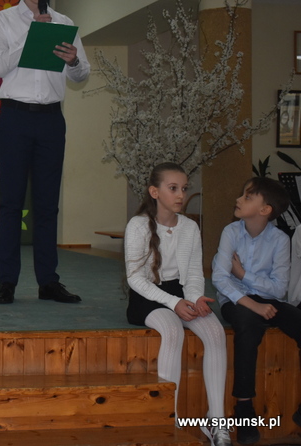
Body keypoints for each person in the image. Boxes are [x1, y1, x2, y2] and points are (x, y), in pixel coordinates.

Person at [0, 0, 90, 305]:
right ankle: (7, 282)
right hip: (14, 117)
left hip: (50, 119)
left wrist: (73, 61)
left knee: (48, 205)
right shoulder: (3, 20)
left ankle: (48, 282)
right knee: (11, 203)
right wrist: (32, 34)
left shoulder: (65, 22)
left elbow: (82, 74)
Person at [125, 163, 231, 446]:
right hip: (147, 296)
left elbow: (194, 273)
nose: (181, 195)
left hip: (180, 293)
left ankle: (217, 421)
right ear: (154, 192)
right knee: (173, 331)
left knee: (215, 332)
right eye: (173, 188)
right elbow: (135, 279)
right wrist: (175, 304)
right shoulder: (138, 225)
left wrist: (195, 298)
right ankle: (167, 420)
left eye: (183, 188)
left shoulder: (190, 227)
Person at [212, 177, 301, 444]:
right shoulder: (231, 232)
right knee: (248, 325)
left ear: (265, 210)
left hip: (267, 299)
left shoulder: (279, 239)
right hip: (236, 300)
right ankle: (244, 408)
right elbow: (220, 278)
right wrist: (254, 304)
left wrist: (243, 274)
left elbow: (279, 289)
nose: (238, 199)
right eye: (243, 194)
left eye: (248, 197)